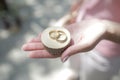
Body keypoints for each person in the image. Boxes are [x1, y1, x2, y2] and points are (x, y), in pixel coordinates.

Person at [22, 0, 120, 80]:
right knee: (72, 61)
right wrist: (76, 7)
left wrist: (107, 29)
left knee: (91, 77)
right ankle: (73, 73)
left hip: (108, 50)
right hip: (79, 30)